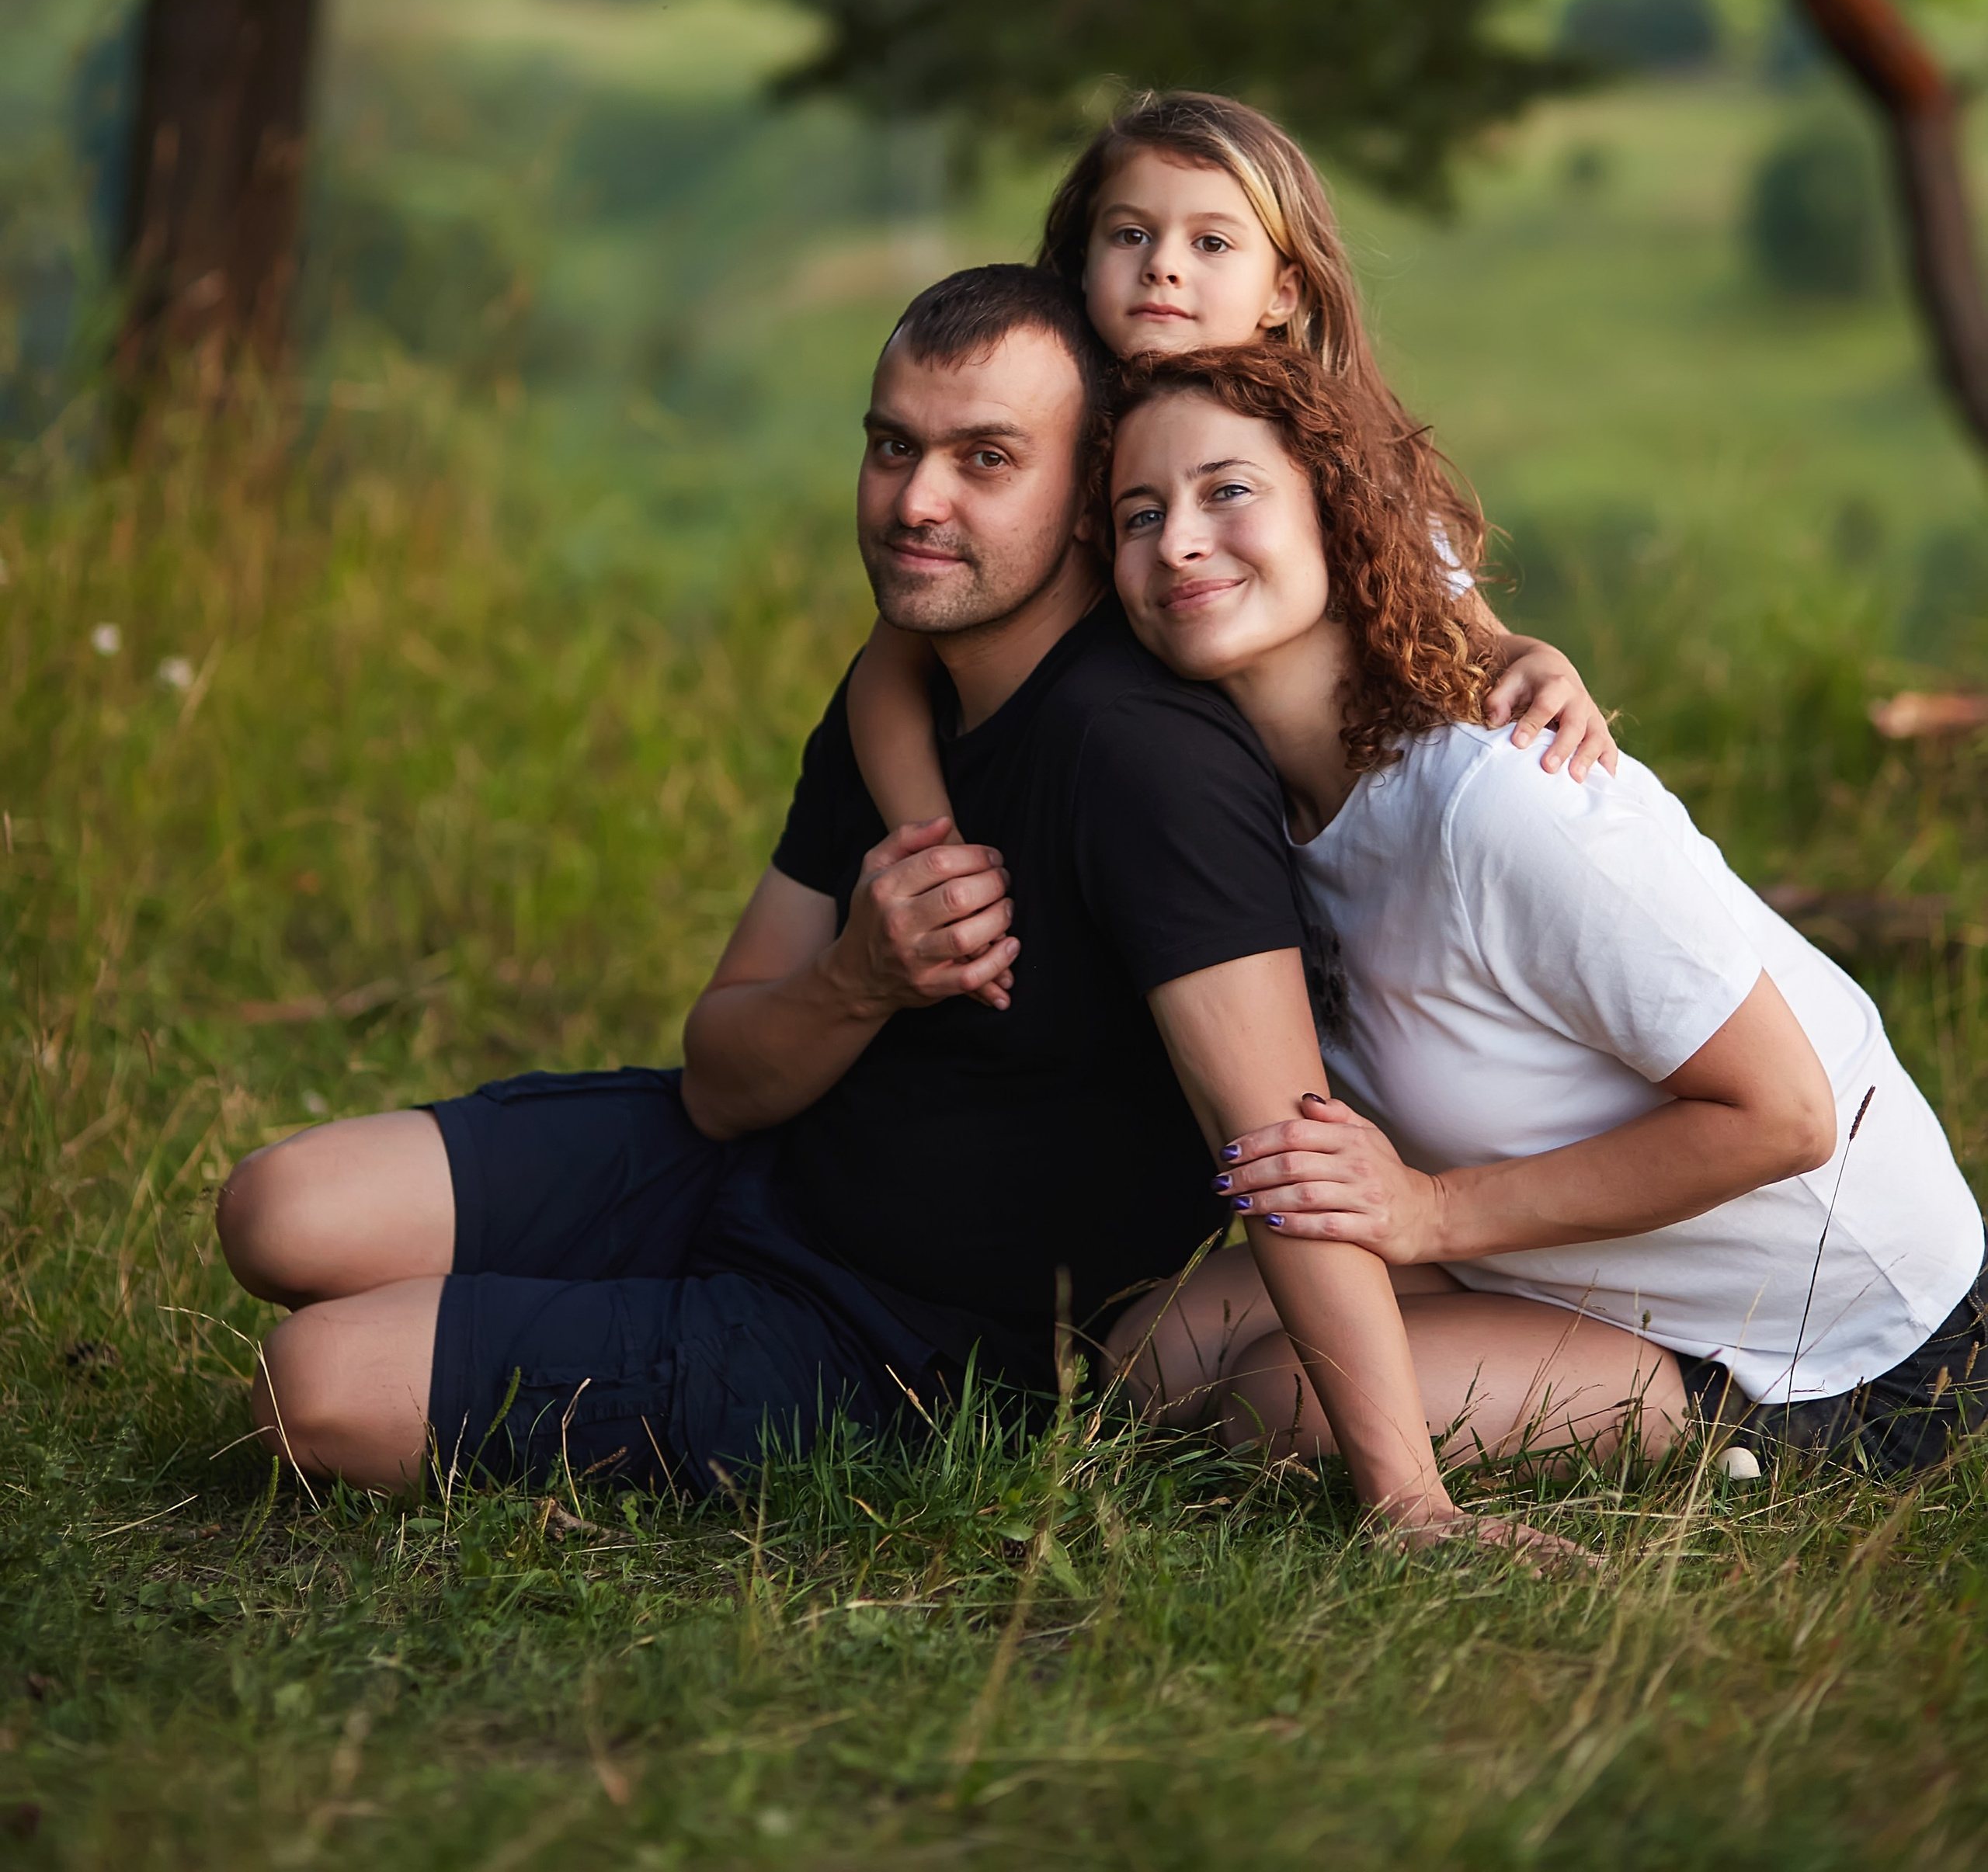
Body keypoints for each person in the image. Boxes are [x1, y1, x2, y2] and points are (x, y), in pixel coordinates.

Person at [214, 265, 1540, 1547]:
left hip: (898, 1340)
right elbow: (724, 1075)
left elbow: (1275, 1146)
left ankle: (615, 1338)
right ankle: (596, 1307)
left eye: (985, 460)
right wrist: (860, 977)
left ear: (1090, 500)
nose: (916, 501)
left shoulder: (1142, 762)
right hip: (754, 1173)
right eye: (892, 446)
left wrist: (1410, 1501)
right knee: (278, 1211)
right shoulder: (909, 687)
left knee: (309, 1386)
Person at [1103, 344, 1988, 1479]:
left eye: (1227, 491)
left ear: (1337, 513)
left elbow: (1786, 1117)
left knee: (1284, 1405)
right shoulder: (1253, 819)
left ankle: (1756, 1437)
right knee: (1147, 1359)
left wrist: (1427, 1217)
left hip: (1850, 1333)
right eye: (1138, 513)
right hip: (1566, 1258)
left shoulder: (1498, 801)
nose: (1176, 541)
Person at [847, 88, 1615, 847]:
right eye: (1129, 235)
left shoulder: (1328, 455)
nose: (1163, 267)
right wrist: (933, 848)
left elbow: (1466, 635)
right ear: (1082, 262)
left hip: (1358, 828)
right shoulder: (1047, 439)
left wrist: (1539, 660)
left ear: (1282, 291)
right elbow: (888, 668)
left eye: (1210, 243)